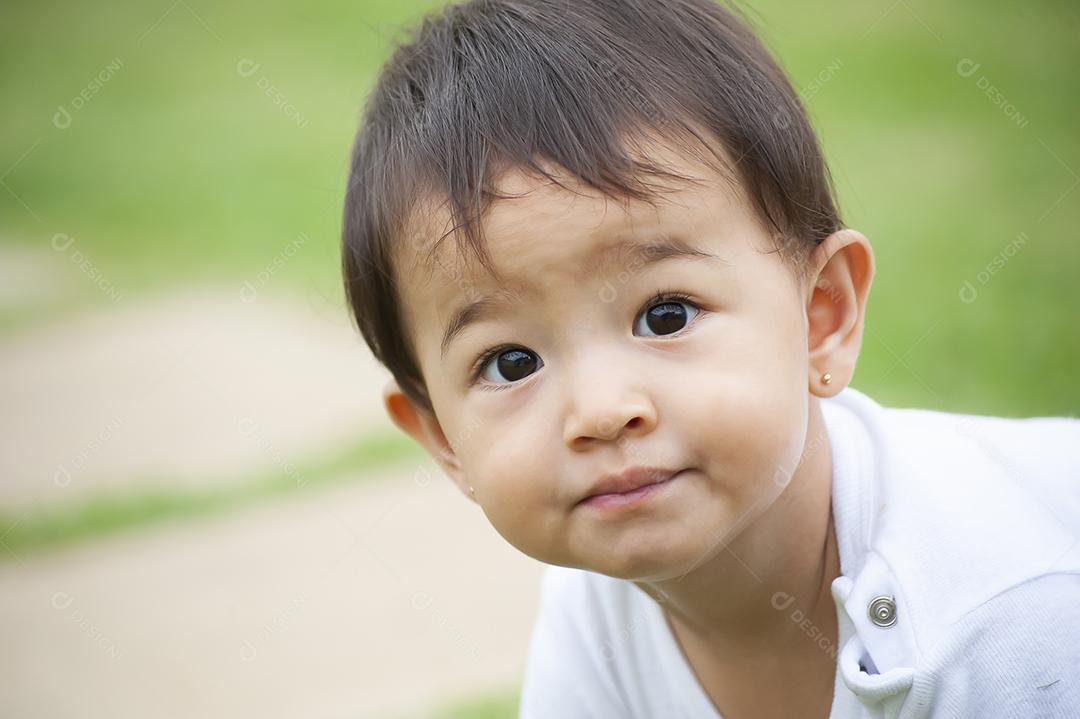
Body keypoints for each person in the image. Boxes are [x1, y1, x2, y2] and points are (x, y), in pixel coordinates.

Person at [338, 0, 1080, 716]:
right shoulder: (594, 618)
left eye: (666, 315)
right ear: (443, 440)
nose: (601, 410)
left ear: (821, 316)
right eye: (510, 362)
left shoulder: (1006, 621)